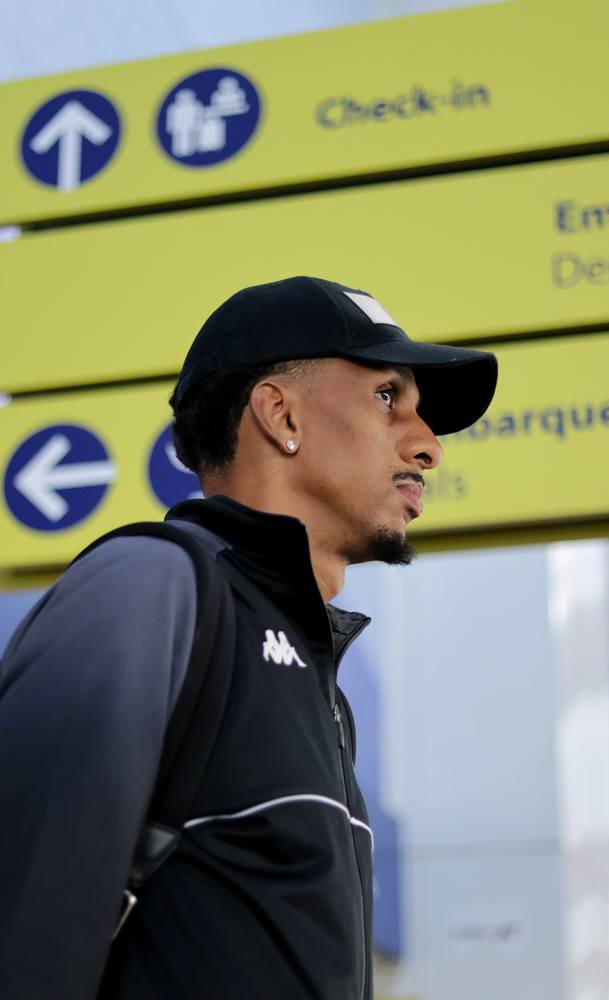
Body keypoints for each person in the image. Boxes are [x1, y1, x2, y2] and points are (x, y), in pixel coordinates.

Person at [0, 276, 498, 999]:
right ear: (280, 413)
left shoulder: (322, 689)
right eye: (388, 398)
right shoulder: (149, 586)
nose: (429, 448)